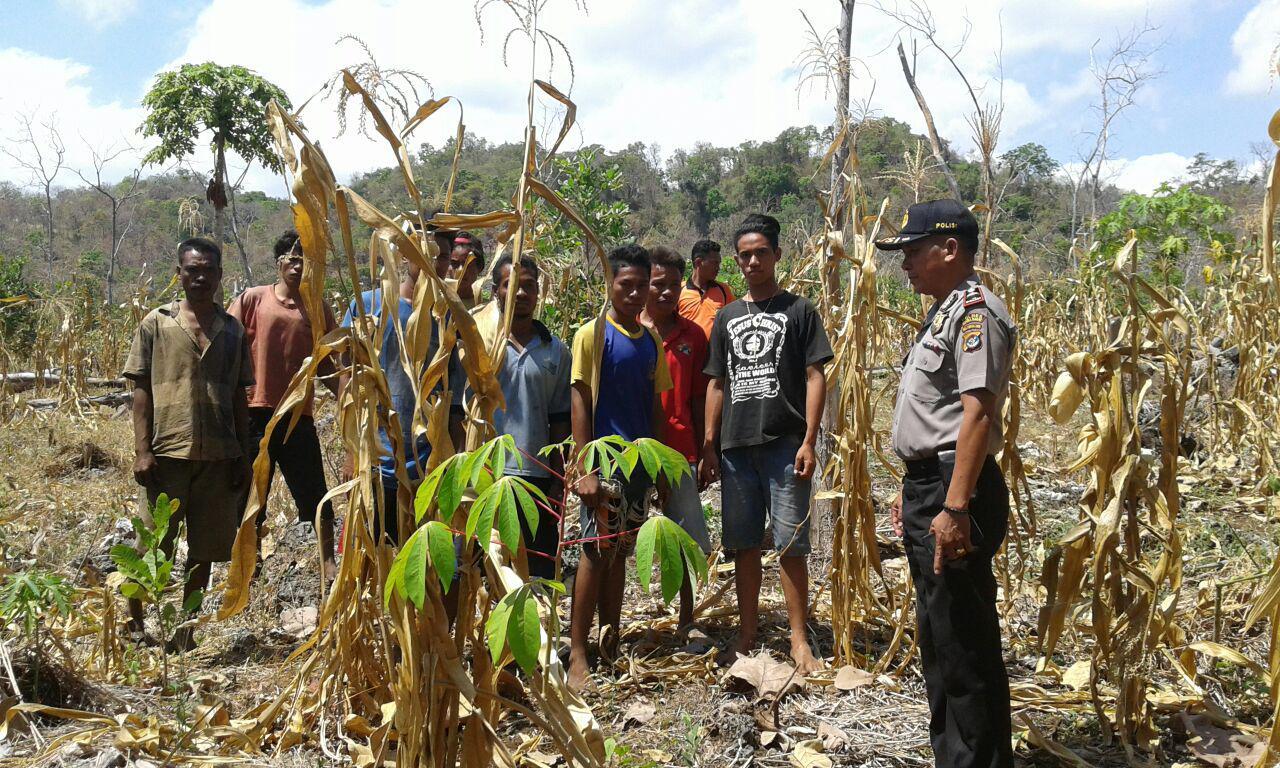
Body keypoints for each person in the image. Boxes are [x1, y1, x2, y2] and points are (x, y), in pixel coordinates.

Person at [875, 198, 1017, 768]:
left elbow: (977, 413)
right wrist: (910, 489)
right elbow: (933, 414)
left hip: (954, 493)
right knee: (939, 637)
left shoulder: (976, 313)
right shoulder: (945, 312)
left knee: (963, 645)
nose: (904, 264)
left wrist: (954, 506)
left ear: (950, 249)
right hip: (929, 488)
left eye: (913, 251)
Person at [701, 214, 832, 674]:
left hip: (784, 442)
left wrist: (810, 439)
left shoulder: (799, 311)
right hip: (737, 448)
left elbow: (817, 375)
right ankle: (748, 631)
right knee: (744, 544)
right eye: (745, 255)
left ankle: (799, 640)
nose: (753, 261)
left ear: (777, 255)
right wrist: (709, 444)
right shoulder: (727, 316)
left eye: (761, 252)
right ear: (737, 261)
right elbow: (716, 383)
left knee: (791, 543)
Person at [122, 237, 253, 652]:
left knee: (206, 548)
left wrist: (243, 457)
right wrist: (143, 450)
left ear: (219, 275)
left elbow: (237, 397)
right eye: (191, 269)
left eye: (208, 270)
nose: (200, 277)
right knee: (152, 543)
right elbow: (140, 389)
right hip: (166, 454)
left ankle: (185, 630)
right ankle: (135, 623)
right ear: (179, 274)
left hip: (218, 456)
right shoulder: (156, 323)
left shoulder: (233, 330)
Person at [567, 244, 672, 691]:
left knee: (619, 555)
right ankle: (577, 653)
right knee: (594, 553)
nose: (633, 294)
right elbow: (579, 400)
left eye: (640, 286)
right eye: (624, 285)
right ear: (610, 284)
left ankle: (609, 640)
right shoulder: (592, 334)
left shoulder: (650, 341)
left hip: (638, 466)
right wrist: (583, 465)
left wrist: (661, 468)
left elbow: (654, 408)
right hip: (604, 462)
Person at [228, 231, 339, 580]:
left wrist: (351, 399)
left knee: (315, 493)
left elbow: (328, 366)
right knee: (250, 493)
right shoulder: (253, 300)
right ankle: (250, 560)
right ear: (278, 263)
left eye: (305, 259)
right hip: (253, 412)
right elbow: (228, 347)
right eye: (292, 258)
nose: (298, 265)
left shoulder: (318, 308)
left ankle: (327, 562)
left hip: (296, 416)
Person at [339, 246, 465, 545]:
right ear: (406, 255)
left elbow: (454, 398)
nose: (432, 260)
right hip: (376, 458)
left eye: (441, 255)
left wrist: (456, 457)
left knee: (421, 561)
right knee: (374, 556)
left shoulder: (449, 319)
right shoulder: (368, 306)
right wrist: (351, 452)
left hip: (428, 462)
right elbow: (348, 378)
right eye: (423, 251)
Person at [478, 253, 572, 579]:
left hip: (537, 474)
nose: (520, 293)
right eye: (511, 284)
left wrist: (558, 478)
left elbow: (561, 418)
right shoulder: (480, 343)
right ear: (496, 291)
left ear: (538, 292)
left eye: (528, 286)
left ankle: (540, 626)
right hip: (488, 474)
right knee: (490, 568)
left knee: (539, 569)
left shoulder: (555, 351)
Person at [641, 245, 713, 629]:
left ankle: (687, 619)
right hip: (632, 452)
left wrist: (705, 449)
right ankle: (610, 625)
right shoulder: (629, 330)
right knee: (619, 541)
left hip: (680, 449)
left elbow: (700, 397)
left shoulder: (694, 337)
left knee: (684, 541)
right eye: (657, 284)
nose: (666, 292)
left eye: (673, 284)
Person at [677, 239, 735, 338]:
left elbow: (732, 320)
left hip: (715, 352)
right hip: (687, 351)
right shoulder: (679, 291)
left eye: (719, 263)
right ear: (698, 262)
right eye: (714, 263)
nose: (718, 268)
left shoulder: (724, 290)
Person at [449, 231, 485, 310]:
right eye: (455, 264)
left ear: (479, 268)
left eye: (467, 264)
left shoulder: (486, 310)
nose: (460, 270)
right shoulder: (437, 306)